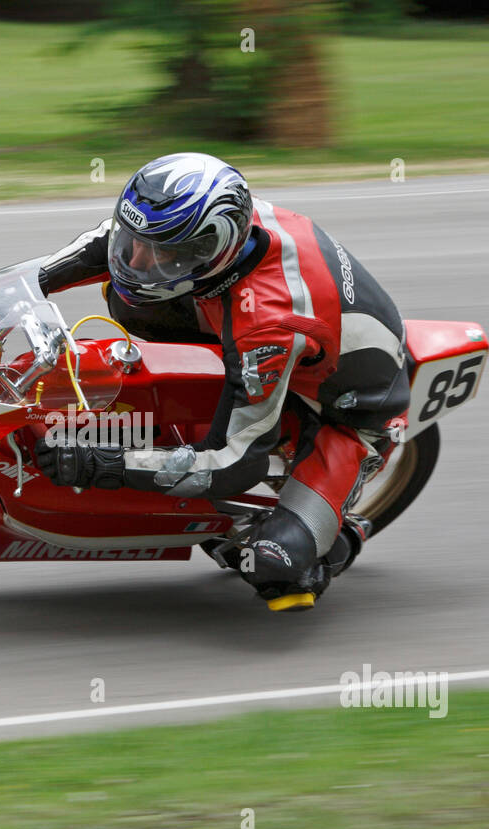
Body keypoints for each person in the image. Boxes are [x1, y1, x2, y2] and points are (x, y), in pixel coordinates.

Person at [33, 153, 410, 611]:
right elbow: (103, 242)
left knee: (272, 567)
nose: (136, 261)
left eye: (162, 255)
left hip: (348, 412)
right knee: (129, 301)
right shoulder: (210, 221)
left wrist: (101, 463)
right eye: (135, 243)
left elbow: (232, 466)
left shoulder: (269, 329)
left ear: (210, 249)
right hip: (301, 338)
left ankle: (342, 539)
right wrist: (31, 282)